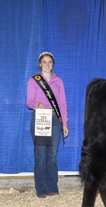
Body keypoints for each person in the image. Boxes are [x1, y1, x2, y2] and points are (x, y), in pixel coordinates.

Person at [27, 52, 69, 198]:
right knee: (40, 155)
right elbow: (29, 102)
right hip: (40, 119)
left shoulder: (59, 81)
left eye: (49, 62)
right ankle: (41, 188)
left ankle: (52, 187)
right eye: (44, 62)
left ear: (53, 64)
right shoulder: (34, 81)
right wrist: (36, 105)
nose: (47, 64)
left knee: (52, 156)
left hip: (55, 120)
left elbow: (62, 104)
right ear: (40, 64)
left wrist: (64, 123)